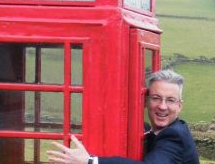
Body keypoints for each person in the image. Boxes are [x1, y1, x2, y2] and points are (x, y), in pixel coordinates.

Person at [47, 70, 200, 164]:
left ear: (180, 106)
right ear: (145, 100)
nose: (162, 106)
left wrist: (90, 161)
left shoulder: (175, 136)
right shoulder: (146, 130)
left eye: (170, 100)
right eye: (156, 97)